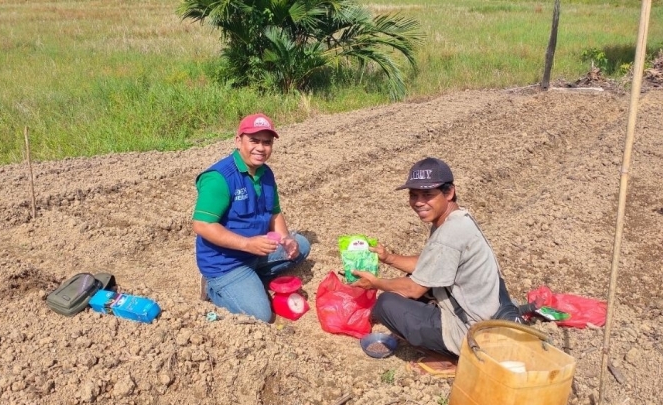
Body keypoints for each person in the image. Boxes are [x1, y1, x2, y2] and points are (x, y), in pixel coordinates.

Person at [351, 157, 522, 357]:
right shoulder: (457, 218)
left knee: (386, 304)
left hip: (472, 331)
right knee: (404, 287)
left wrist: (376, 283)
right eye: (413, 195)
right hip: (487, 314)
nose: (418, 202)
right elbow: (428, 264)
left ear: (449, 192)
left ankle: (451, 353)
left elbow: (414, 289)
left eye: (427, 194)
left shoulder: (449, 234)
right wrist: (389, 257)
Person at [192, 113, 311, 323]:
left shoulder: (266, 174)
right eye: (254, 140)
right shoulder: (219, 178)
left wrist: (285, 238)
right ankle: (213, 288)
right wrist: (247, 244)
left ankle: (253, 279)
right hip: (226, 263)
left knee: (301, 245)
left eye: (267, 142)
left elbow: (274, 212)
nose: (261, 148)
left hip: (255, 251)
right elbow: (202, 225)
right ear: (239, 141)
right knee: (261, 315)